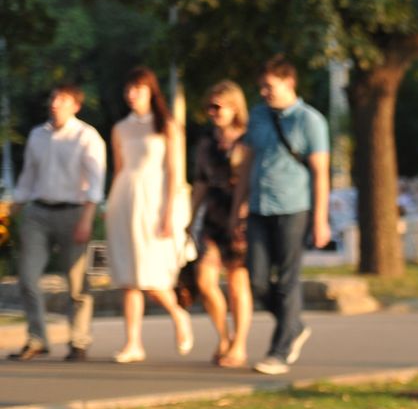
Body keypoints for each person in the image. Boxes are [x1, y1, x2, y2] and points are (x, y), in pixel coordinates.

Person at [244, 55, 330, 376]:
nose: (264, 92)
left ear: (289, 83)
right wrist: (239, 204)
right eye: (261, 86)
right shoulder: (257, 117)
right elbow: (248, 163)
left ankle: (279, 351)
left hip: (294, 207)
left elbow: (320, 173)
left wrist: (321, 219)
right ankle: (294, 324)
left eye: (270, 86)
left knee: (288, 281)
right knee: (256, 279)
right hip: (258, 207)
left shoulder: (310, 121)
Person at [7, 83, 105, 361]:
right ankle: (37, 338)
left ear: (75, 105)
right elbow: (26, 179)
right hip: (38, 213)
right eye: (53, 98)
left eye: (62, 99)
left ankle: (79, 340)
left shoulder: (87, 137)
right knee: (27, 276)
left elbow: (96, 183)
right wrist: (12, 211)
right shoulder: (38, 135)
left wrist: (87, 218)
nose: (55, 103)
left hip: (74, 212)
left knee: (76, 282)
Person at [105, 66, 194, 363]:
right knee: (128, 277)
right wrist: (110, 207)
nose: (132, 95)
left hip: (155, 202)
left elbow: (175, 172)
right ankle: (133, 343)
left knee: (150, 274)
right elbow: (119, 169)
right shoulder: (120, 128)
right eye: (129, 89)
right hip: (124, 201)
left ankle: (178, 314)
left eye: (138, 89)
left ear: (151, 91)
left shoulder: (167, 125)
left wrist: (169, 212)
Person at [190, 81, 253, 368]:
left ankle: (239, 344)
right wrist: (189, 218)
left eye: (217, 107)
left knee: (238, 282)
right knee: (204, 280)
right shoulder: (206, 143)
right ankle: (224, 336)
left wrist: (240, 216)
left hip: (240, 218)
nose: (211, 112)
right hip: (213, 216)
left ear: (234, 107)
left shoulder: (249, 140)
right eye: (209, 107)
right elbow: (200, 182)